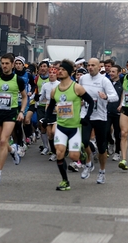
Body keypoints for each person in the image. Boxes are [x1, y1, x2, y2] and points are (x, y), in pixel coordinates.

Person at [41, 59, 94, 191]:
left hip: (75, 127)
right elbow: (51, 106)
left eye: (63, 70)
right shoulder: (54, 90)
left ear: (69, 73)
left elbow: (91, 102)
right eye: (59, 69)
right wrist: (47, 118)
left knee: (73, 157)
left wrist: (86, 117)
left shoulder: (76, 88)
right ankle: (65, 181)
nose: (60, 71)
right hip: (61, 126)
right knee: (59, 153)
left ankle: (83, 152)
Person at [0, 53, 28, 184]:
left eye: (7, 63)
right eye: (2, 63)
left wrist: (21, 112)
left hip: (11, 113)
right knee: (0, 142)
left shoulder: (18, 80)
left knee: (3, 140)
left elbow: (25, 97)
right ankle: (13, 150)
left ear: (13, 64)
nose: (4, 66)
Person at [78, 58, 118, 184]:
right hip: (86, 115)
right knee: (84, 141)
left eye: (93, 65)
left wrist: (106, 97)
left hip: (100, 116)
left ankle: (102, 171)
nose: (90, 67)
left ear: (98, 67)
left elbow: (115, 96)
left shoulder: (104, 80)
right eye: (88, 65)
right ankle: (89, 163)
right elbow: (79, 93)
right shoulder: (83, 78)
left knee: (102, 148)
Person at [107, 65, 123, 162]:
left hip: (117, 112)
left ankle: (117, 152)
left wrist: (121, 105)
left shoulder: (122, 83)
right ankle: (111, 142)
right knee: (106, 131)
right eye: (110, 72)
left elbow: (123, 95)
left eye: (113, 72)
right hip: (107, 110)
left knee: (118, 134)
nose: (111, 73)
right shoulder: (107, 83)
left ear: (119, 73)